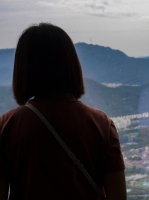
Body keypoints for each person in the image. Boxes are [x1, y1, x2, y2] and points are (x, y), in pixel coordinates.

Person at [0, 23, 126, 200]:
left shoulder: (8, 125)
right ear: (71, 65)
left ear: (22, 68)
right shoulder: (101, 123)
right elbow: (118, 195)